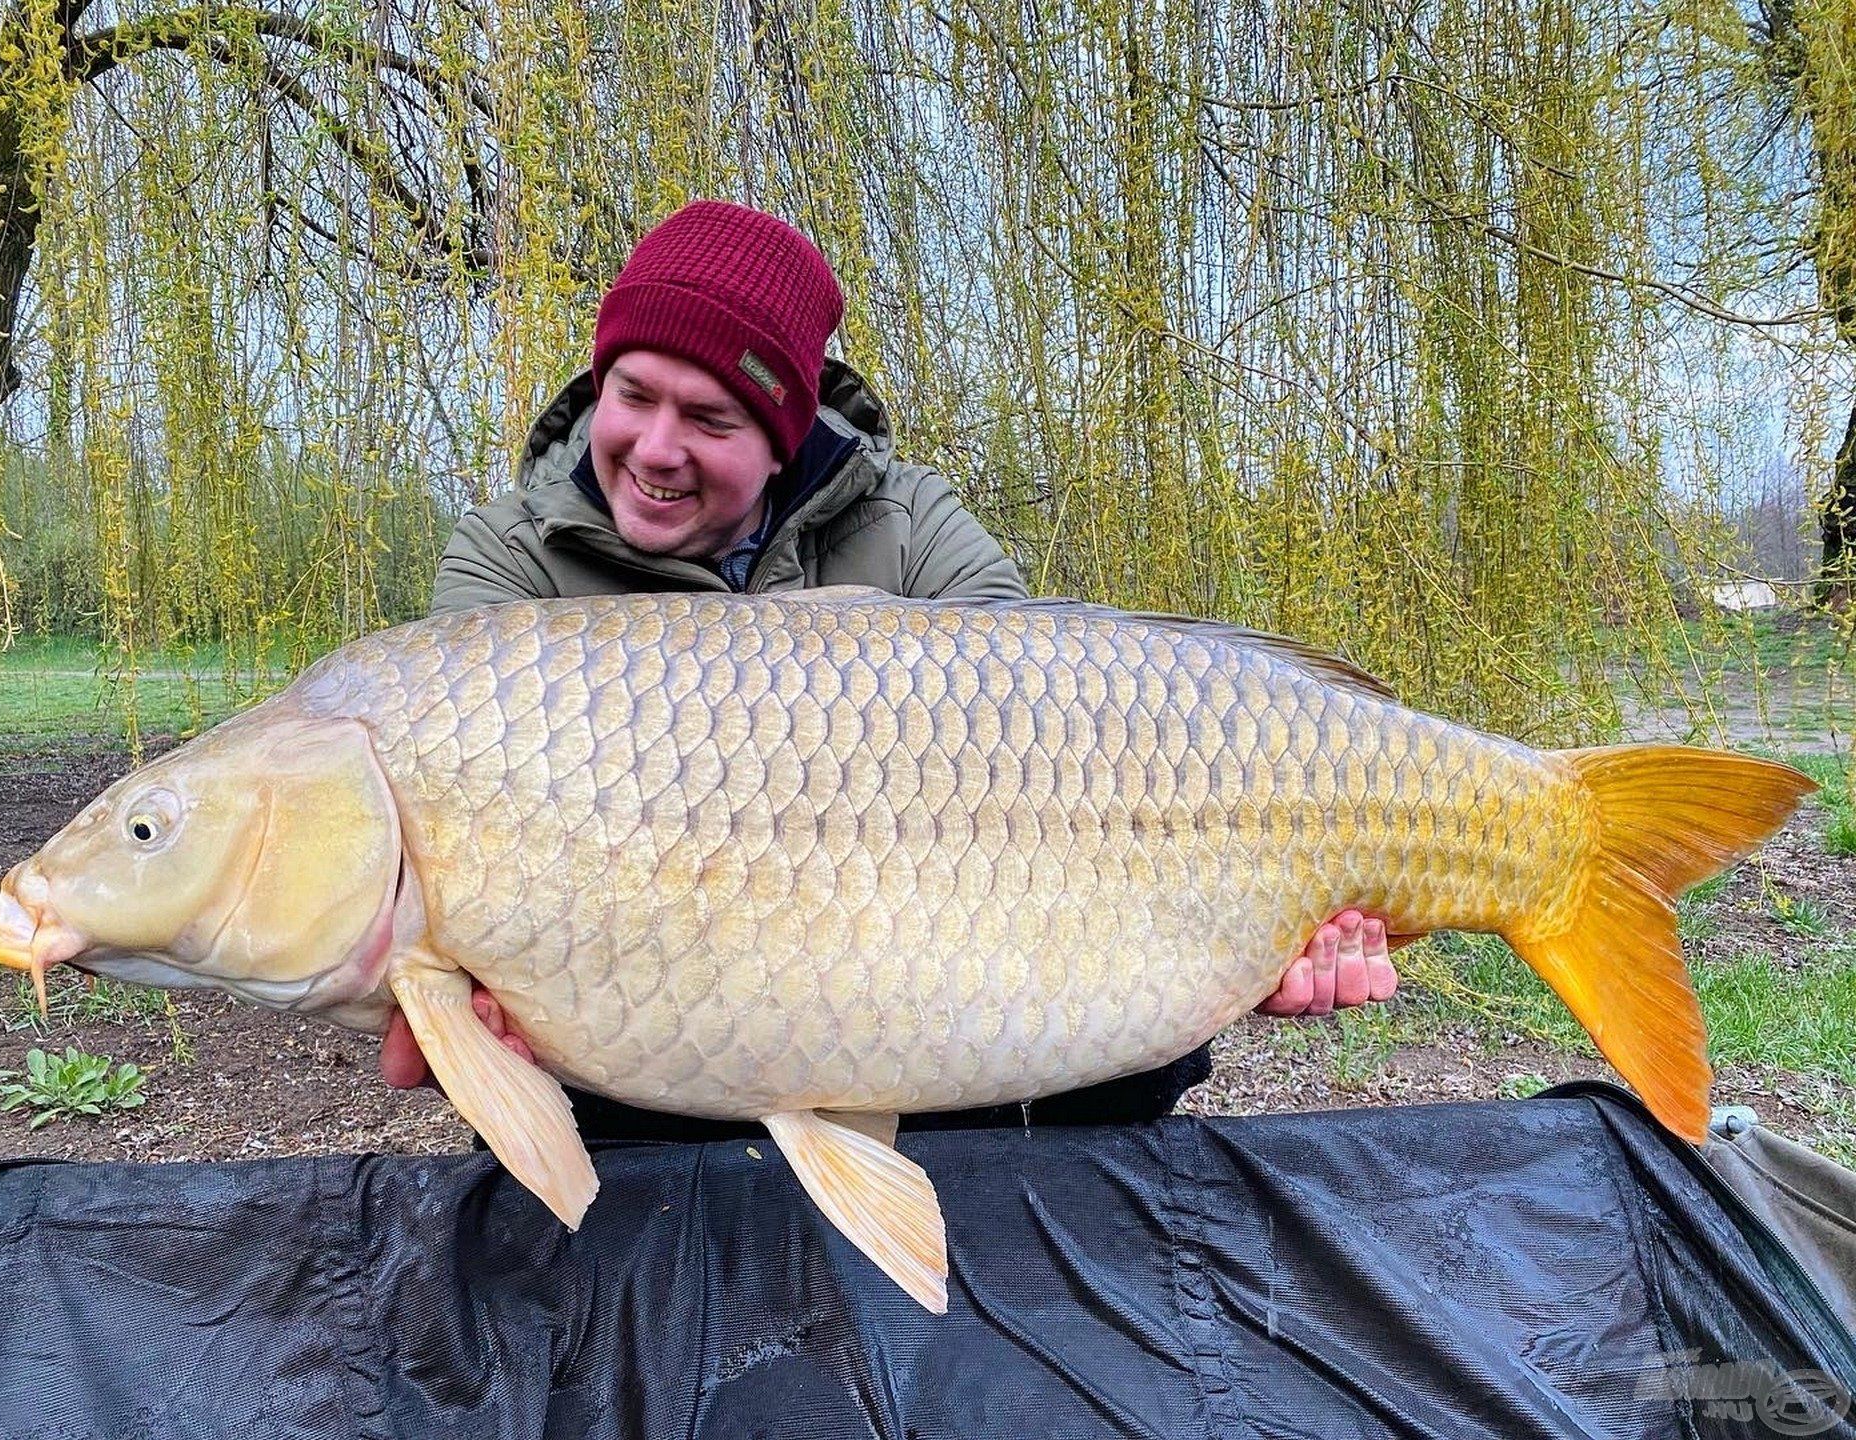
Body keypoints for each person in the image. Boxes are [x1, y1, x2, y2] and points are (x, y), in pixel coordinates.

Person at [382, 199, 1398, 1135]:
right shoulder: (510, 563)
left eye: (710, 420)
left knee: (1119, 1033)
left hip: (916, 973)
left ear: (783, 438)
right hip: (656, 1022)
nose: (654, 448)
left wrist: (1256, 920)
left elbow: (1064, 739)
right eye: (632, 395)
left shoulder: (907, 526)